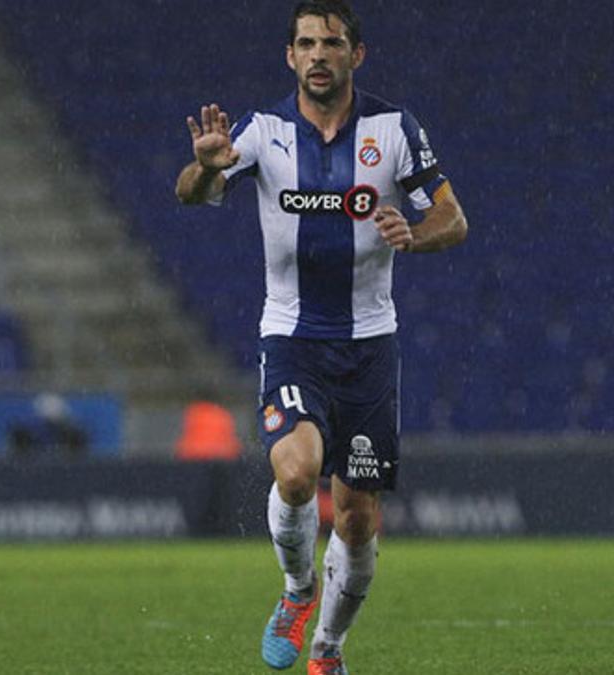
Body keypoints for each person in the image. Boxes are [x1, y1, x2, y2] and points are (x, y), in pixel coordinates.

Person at [174, 2, 468, 672]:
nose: (317, 55)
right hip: (293, 337)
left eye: (331, 43)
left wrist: (414, 235)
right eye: (305, 43)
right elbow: (191, 192)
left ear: (354, 55)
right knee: (298, 472)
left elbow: (454, 217)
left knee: (360, 518)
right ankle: (298, 588)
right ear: (289, 56)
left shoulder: (393, 128)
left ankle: (328, 648)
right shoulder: (264, 129)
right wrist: (208, 166)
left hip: (369, 344)